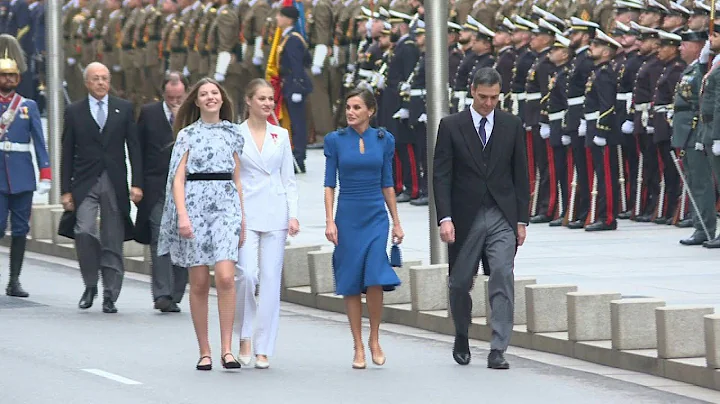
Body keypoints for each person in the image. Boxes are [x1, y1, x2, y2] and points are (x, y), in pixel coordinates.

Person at [433, 67, 529, 369]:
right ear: (473, 91)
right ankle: (462, 333)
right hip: (465, 216)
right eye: (484, 97)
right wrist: (445, 218)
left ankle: (498, 347)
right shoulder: (451, 125)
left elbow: (521, 174)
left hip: (501, 213)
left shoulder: (511, 125)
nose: (489, 103)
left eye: (495, 98)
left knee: (502, 274)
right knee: (460, 283)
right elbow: (441, 175)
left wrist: (521, 220)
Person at [157, 77, 245, 371]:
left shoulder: (233, 132)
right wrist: (182, 215)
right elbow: (177, 179)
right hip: (195, 206)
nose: (210, 97)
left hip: (226, 207)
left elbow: (238, 178)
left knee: (225, 277)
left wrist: (243, 218)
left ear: (222, 99)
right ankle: (205, 351)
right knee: (199, 281)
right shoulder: (186, 135)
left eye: (215, 93)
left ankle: (227, 349)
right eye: (204, 94)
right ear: (196, 101)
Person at [323, 87, 404, 370]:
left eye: (357, 107)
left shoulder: (384, 140)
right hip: (347, 215)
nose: (351, 112)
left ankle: (375, 338)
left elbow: (388, 182)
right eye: (348, 107)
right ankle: (357, 344)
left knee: (374, 275)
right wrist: (329, 220)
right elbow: (329, 183)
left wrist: (396, 221)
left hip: (375, 216)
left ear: (370, 111)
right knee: (351, 278)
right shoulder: (335, 140)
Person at [59, 61, 143, 314]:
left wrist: (136, 183)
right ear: (86, 83)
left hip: (115, 181)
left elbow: (134, 148)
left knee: (113, 238)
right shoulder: (74, 111)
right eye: (95, 78)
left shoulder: (123, 108)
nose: (101, 83)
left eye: (105, 78)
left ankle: (110, 294)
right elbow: (66, 152)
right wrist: (65, 190)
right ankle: (90, 284)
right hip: (85, 181)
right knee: (84, 230)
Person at [235, 78, 300, 369]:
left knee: (272, 281)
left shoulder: (281, 135)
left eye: (270, 99)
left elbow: (289, 180)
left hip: (275, 212)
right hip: (246, 212)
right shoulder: (235, 135)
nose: (267, 103)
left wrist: (294, 213)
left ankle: (264, 347)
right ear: (248, 101)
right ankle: (245, 334)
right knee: (247, 275)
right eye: (260, 98)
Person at [133, 72, 189, 313]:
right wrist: (137, 183)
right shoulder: (149, 113)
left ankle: (176, 291)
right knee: (160, 238)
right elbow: (138, 150)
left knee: (183, 240)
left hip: (187, 189)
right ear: (163, 94)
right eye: (171, 97)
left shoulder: (192, 115)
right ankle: (162, 294)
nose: (176, 101)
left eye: (179, 97)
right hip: (156, 186)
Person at [0, 34, 51, 297]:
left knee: (21, 230)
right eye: (3, 75)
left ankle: (14, 280)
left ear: (18, 78)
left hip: (22, 176)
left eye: (12, 75)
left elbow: (40, 143)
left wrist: (45, 173)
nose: (8, 79)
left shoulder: (27, 106)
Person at [275, 5, 313, 174]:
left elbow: (298, 65)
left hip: (294, 85)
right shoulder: (288, 37)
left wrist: (297, 87)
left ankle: (299, 159)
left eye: (280, 16)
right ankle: (295, 156)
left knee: (298, 123)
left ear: (288, 19)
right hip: (289, 83)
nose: (277, 18)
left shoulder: (293, 39)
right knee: (294, 122)